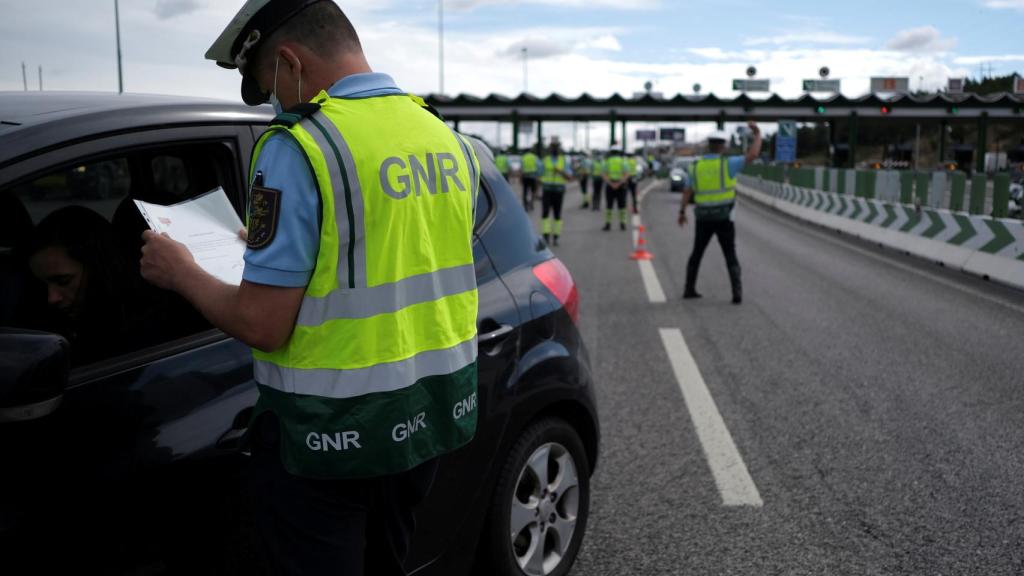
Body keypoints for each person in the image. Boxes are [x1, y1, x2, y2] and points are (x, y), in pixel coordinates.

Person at [140, 2, 481, 574]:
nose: (274, 102)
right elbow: (394, 251)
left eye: (266, 85)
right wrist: (287, 250)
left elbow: (262, 325)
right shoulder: (443, 137)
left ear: (290, 63)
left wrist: (181, 271)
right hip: (426, 420)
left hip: (330, 437)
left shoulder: (299, 145)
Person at [678, 123, 762, 305]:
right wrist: (758, 134)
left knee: (697, 253)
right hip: (724, 217)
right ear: (723, 146)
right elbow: (753, 155)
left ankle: (688, 289)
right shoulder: (728, 164)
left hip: (703, 217)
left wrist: (682, 211)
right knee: (730, 254)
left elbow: (687, 191)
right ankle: (736, 293)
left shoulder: (695, 166)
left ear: (708, 145)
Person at [540, 138, 573, 246]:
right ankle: (546, 235)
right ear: (550, 148)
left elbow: (569, 178)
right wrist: (536, 190)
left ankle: (556, 237)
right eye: (553, 146)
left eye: (556, 146)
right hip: (547, 189)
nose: (554, 148)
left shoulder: (563, 161)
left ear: (559, 148)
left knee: (557, 214)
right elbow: (539, 175)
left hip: (559, 190)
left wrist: (560, 171)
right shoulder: (545, 160)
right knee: (545, 213)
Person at [602, 148, 629, 231]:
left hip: (610, 185)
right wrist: (618, 184)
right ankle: (623, 224)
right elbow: (626, 174)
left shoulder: (607, 162)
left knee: (609, 206)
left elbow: (604, 175)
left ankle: (608, 224)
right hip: (621, 186)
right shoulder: (623, 161)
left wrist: (611, 184)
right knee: (622, 205)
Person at [521, 144, 541, 211]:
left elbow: (521, 168)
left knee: (525, 191)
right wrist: (538, 176)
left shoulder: (523, 157)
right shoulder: (534, 157)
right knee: (533, 191)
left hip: (525, 176)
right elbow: (539, 167)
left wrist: (520, 177)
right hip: (533, 177)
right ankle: (531, 203)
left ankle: (525, 205)